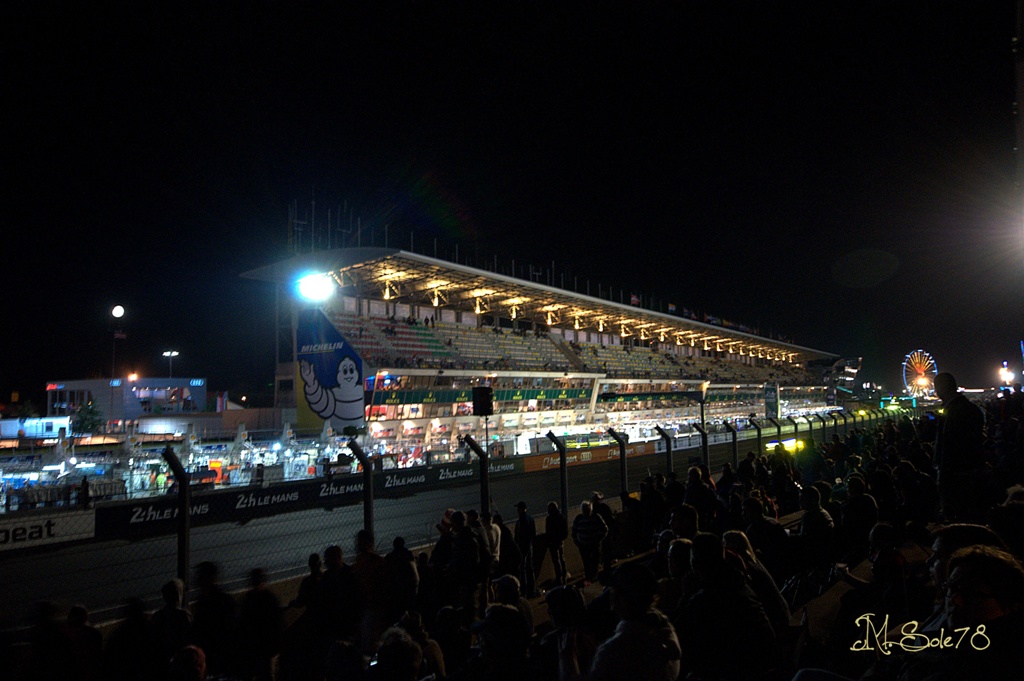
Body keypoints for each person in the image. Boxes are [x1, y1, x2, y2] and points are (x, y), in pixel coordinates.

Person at [588, 562, 681, 681]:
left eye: (613, 593)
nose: (612, 602)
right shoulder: (665, 630)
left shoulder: (615, 651)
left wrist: (567, 654)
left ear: (622, 598)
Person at [933, 372, 986, 522]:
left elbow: (948, 448)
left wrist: (942, 476)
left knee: (957, 517)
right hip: (971, 474)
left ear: (943, 388)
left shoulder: (953, 413)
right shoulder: (971, 409)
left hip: (956, 478)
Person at [237, 568, 283, 681]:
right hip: (265, 647)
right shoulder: (270, 599)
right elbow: (278, 624)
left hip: (253, 647)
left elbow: (242, 624)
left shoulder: (248, 599)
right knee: (266, 673)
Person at [191, 561, 236, 677]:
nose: (197, 579)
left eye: (201, 576)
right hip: (216, 656)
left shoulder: (208, 602)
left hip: (216, 656)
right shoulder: (221, 599)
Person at [572, 500, 608, 585]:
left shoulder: (595, 517)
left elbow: (605, 529)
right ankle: (589, 577)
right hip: (584, 545)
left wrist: (599, 539)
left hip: (592, 544)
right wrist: (577, 542)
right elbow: (574, 532)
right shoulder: (579, 518)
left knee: (594, 561)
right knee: (587, 562)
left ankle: (592, 576)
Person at [513, 501, 537, 597]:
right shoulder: (530, 519)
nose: (517, 510)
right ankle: (532, 590)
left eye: (518, 508)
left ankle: (524, 591)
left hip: (523, 547)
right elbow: (533, 534)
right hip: (528, 546)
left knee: (523, 570)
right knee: (529, 568)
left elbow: (521, 535)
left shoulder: (522, 521)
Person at [544, 501, 569, 586]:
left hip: (553, 542)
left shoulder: (549, 519)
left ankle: (559, 577)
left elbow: (548, 531)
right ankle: (564, 575)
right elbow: (565, 531)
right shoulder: (561, 517)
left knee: (556, 560)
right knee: (561, 558)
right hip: (559, 541)